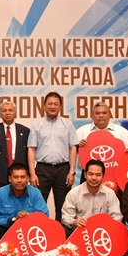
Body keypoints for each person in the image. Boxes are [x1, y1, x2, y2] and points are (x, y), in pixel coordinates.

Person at [28, 92, 79, 222]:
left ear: (60, 106)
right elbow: (32, 149)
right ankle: (39, 230)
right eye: (50, 103)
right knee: (38, 204)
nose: (53, 106)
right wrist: (32, 173)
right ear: (44, 105)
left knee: (63, 205)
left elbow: (73, 147)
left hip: (63, 169)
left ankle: (61, 232)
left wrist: (72, 171)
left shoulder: (68, 125)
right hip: (42, 169)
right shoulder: (37, 125)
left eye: (56, 104)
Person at [0, 163, 49, 245]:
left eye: (22, 177)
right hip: (7, 231)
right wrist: (14, 219)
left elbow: (44, 215)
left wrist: (27, 218)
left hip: (29, 231)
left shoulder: (35, 193)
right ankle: (6, 248)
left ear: (28, 178)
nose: (19, 180)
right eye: (15, 177)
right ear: (9, 179)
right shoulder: (0, 193)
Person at [61, 159, 123, 237]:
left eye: (98, 175)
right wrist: (74, 221)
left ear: (103, 176)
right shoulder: (74, 193)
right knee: (64, 230)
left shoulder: (110, 194)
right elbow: (66, 217)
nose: (94, 178)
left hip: (103, 233)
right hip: (80, 232)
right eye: (90, 174)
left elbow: (117, 216)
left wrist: (107, 225)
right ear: (85, 175)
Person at [0, 101, 30, 190]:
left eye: (10, 110)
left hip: (19, 173)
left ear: (15, 113)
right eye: (4, 110)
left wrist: (29, 173)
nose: (7, 113)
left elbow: (28, 154)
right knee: (1, 197)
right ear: (0, 114)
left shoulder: (25, 130)